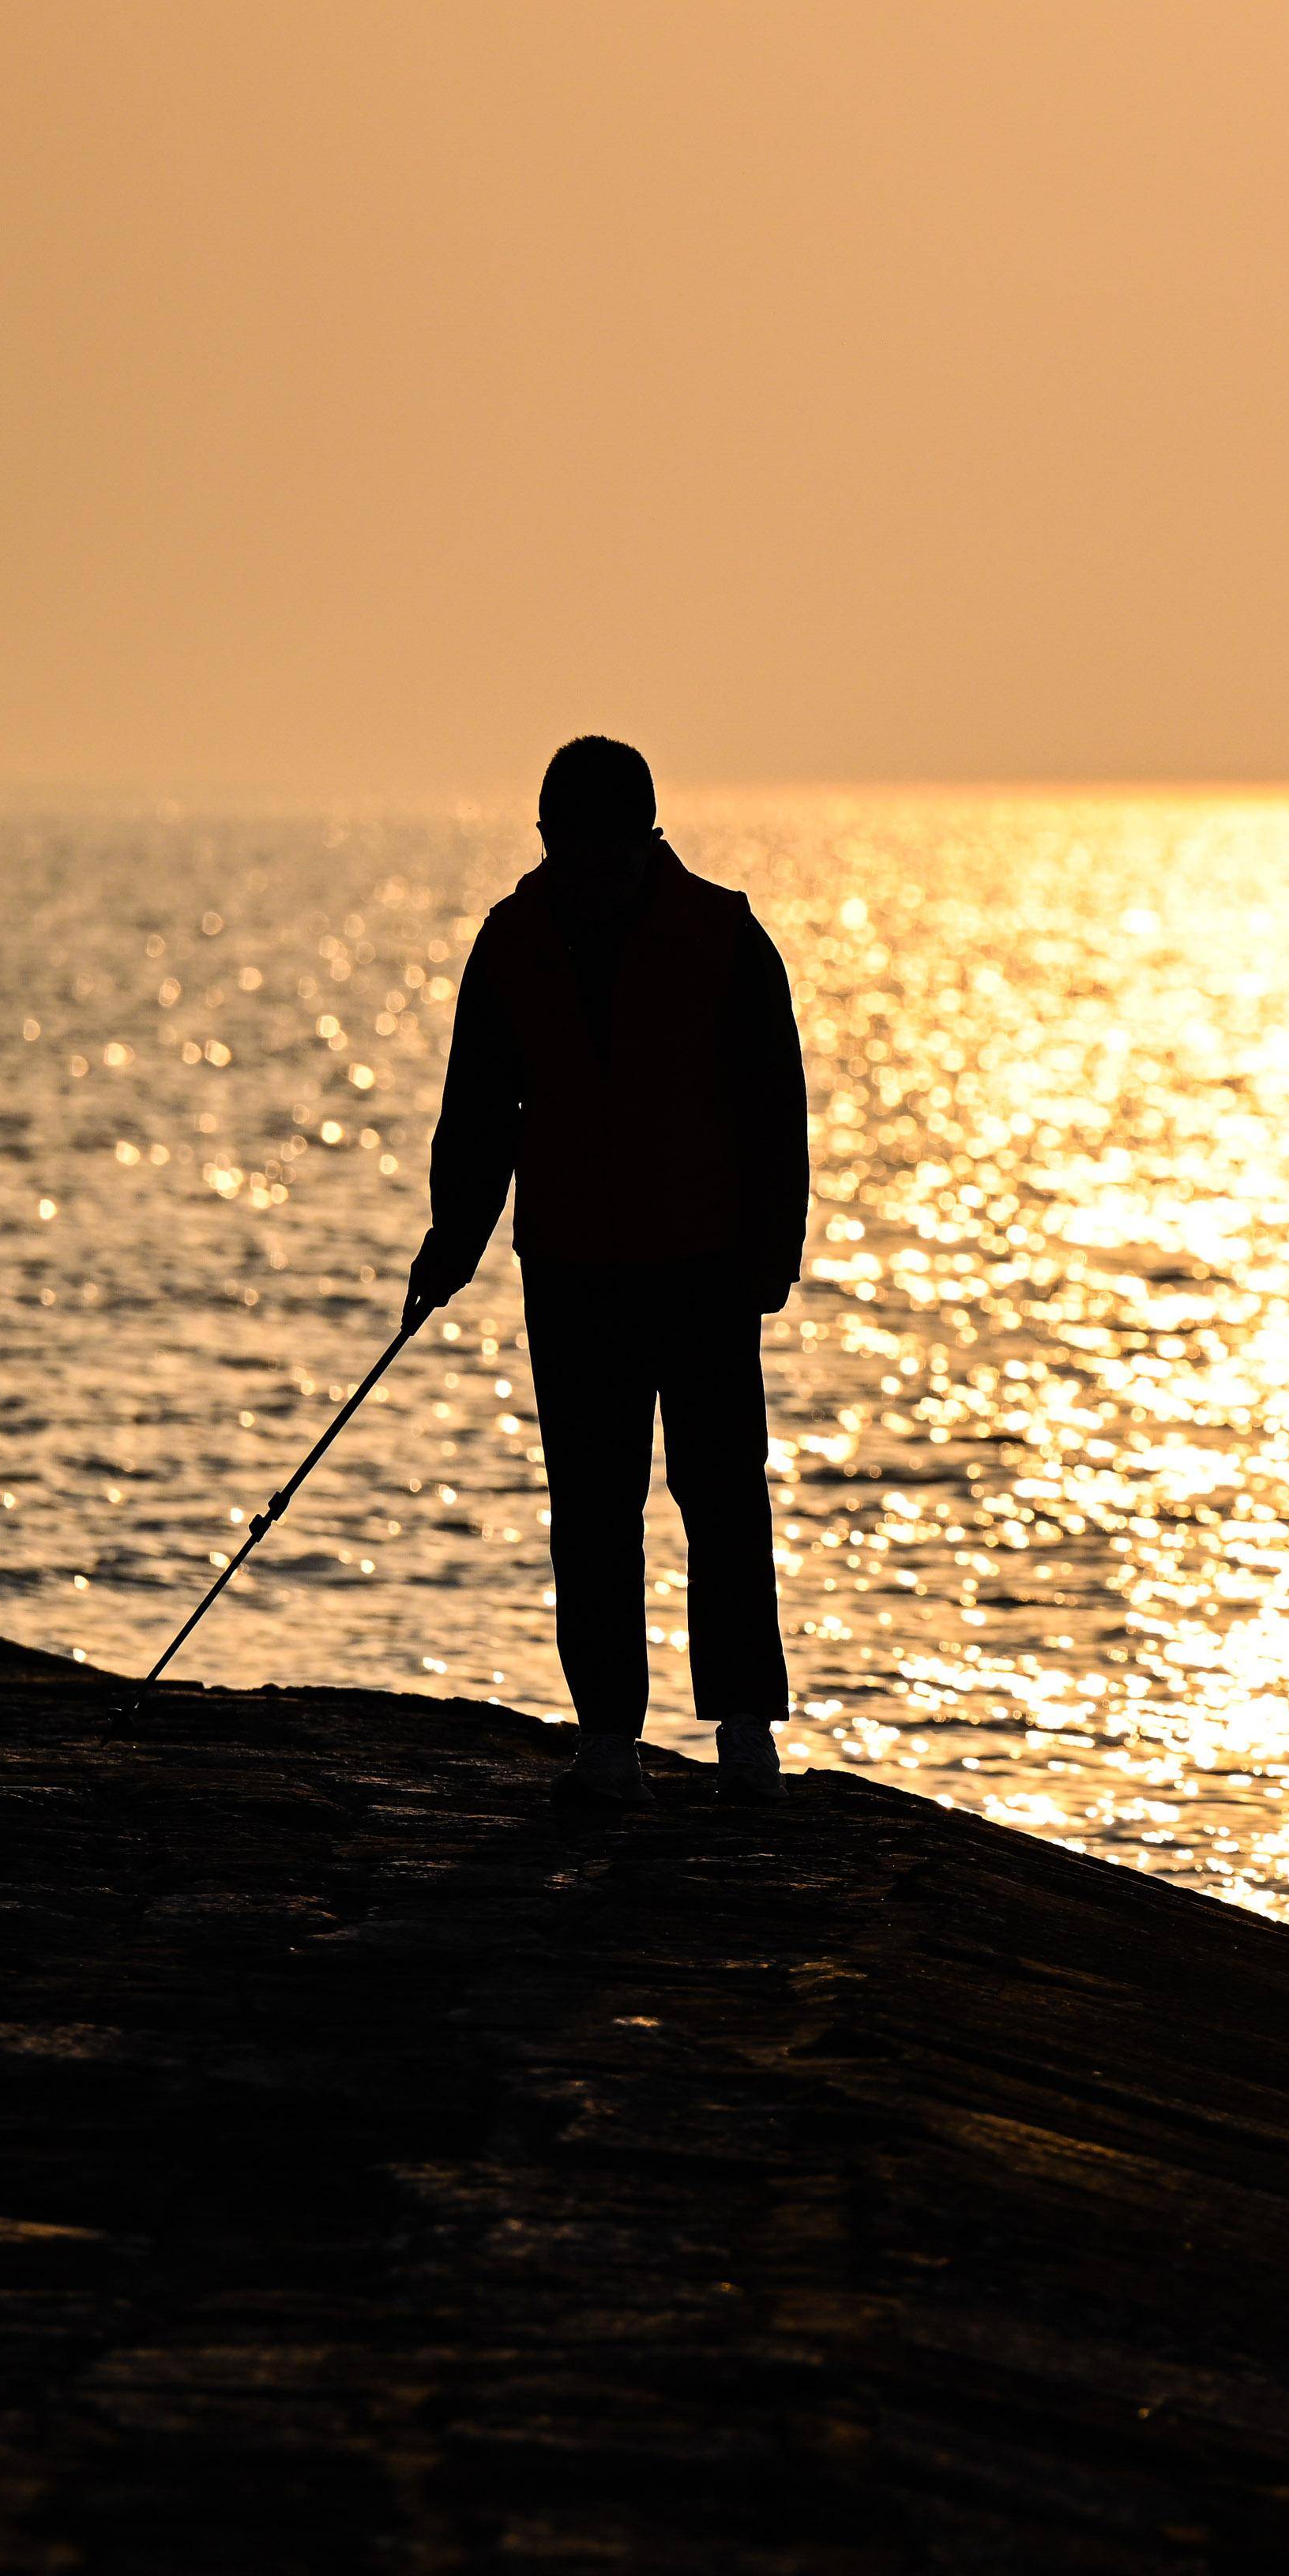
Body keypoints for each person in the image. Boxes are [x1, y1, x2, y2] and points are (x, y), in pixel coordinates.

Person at [408, 737, 810, 1805]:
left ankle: (743, 1730)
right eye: (569, 852)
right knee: (591, 1507)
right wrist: (453, 1244)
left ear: (647, 839)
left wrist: (772, 1257)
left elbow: (776, 1113)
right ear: (546, 840)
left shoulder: (725, 937)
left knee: (721, 1496)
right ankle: (606, 1739)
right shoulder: (512, 943)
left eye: (607, 854)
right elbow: (480, 1113)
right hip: (575, 1267)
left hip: (709, 1264)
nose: (586, 875)